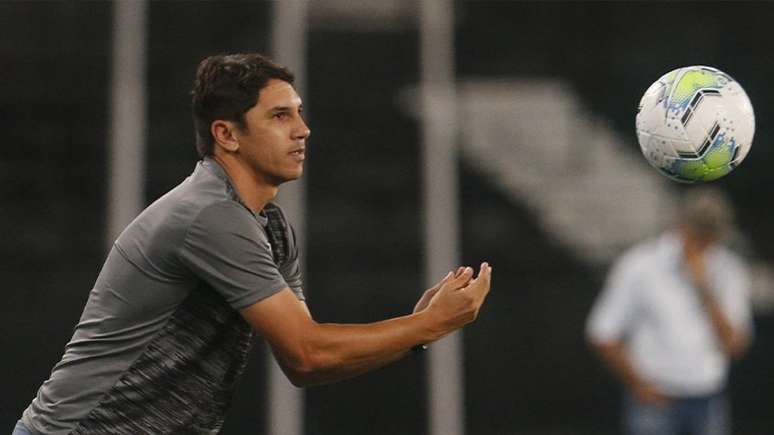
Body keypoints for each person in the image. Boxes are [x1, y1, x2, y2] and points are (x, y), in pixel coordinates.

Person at [13, 53, 492, 435]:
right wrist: (427, 325)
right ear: (226, 134)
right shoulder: (209, 216)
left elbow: (305, 366)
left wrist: (420, 329)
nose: (302, 129)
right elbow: (310, 352)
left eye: (299, 113)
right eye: (280, 115)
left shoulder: (268, 226)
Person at [586, 187, 753, 435]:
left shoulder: (730, 269)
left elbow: (734, 345)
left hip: (708, 399)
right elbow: (602, 332)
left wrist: (704, 289)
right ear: (682, 225)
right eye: (699, 232)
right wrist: (638, 384)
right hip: (655, 401)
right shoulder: (640, 265)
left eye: (710, 234)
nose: (704, 242)